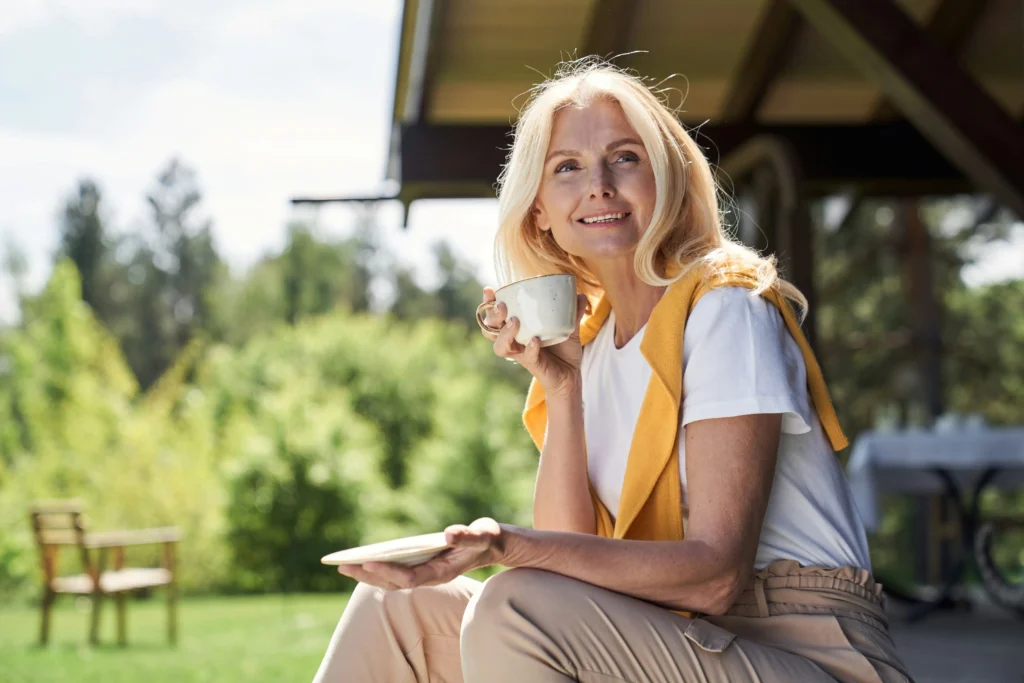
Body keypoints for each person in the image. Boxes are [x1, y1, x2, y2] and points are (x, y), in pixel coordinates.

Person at [312, 60, 912, 683]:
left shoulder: (726, 309)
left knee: (513, 604)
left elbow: (714, 576)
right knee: (396, 604)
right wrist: (562, 386)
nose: (597, 184)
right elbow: (564, 582)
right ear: (538, 208)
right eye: (566, 167)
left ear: (668, 181)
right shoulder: (591, 349)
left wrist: (505, 544)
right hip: (675, 635)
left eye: (625, 157)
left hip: (807, 650)